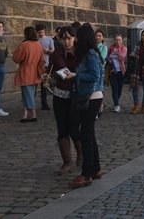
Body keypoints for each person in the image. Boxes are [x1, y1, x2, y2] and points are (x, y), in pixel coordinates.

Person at [69, 24, 105, 188]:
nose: (75, 39)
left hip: (91, 96)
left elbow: (94, 75)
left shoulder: (90, 53)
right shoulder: (88, 53)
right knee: (88, 133)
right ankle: (95, 169)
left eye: (77, 37)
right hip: (91, 96)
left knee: (86, 134)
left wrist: (76, 75)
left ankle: (87, 173)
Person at [50, 26, 81, 173]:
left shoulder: (80, 53)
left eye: (69, 38)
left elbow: (81, 71)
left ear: (74, 38)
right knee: (62, 129)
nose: (67, 41)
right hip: (60, 94)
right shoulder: (57, 53)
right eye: (64, 38)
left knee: (74, 129)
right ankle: (67, 162)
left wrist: (75, 74)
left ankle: (80, 154)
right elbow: (58, 69)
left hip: (75, 95)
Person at [12, 26, 45, 123]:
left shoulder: (25, 44)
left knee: (28, 94)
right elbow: (42, 60)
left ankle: (33, 113)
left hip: (26, 72)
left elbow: (16, 58)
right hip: (35, 72)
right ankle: (25, 114)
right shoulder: (39, 45)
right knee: (28, 93)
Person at [36, 24, 54, 111]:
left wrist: (48, 51)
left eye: (42, 32)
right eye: (39, 32)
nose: (41, 34)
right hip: (36, 65)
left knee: (44, 86)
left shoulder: (49, 39)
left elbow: (53, 51)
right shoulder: (36, 40)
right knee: (35, 85)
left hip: (46, 64)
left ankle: (44, 104)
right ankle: (32, 104)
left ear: (45, 31)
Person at [107, 34, 127, 113]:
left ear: (121, 41)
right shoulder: (111, 48)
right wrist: (110, 56)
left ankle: (116, 100)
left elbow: (122, 58)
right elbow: (108, 59)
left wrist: (118, 51)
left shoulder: (124, 48)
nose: (118, 41)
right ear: (114, 40)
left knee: (119, 89)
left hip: (121, 71)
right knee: (114, 88)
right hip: (112, 72)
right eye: (116, 39)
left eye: (119, 40)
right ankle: (117, 105)